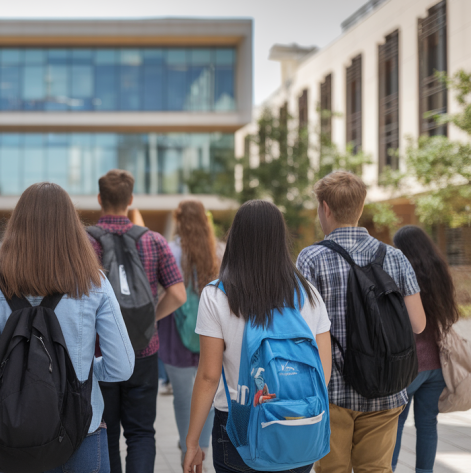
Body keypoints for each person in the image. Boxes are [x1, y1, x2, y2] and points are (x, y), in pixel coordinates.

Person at [0, 182, 136, 473]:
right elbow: (122, 366)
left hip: (11, 436)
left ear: (17, 225)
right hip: (81, 431)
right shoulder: (94, 284)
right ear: (71, 227)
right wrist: (83, 372)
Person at [183, 199, 333, 473]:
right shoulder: (309, 294)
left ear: (236, 238)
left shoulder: (217, 296)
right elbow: (323, 370)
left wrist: (192, 442)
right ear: (279, 239)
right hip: (297, 424)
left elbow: (208, 376)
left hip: (237, 425)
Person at [296, 171, 426, 473]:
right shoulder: (395, 257)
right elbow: (418, 324)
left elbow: (302, 329)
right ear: (361, 205)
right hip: (387, 388)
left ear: (325, 208)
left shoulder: (311, 258)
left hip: (333, 392)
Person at [87, 169, 187, 473]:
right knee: (142, 432)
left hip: (99, 351)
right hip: (144, 347)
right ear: (131, 200)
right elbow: (178, 294)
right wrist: (151, 319)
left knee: (107, 431)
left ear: (100, 199)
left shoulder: (84, 241)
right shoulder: (154, 241)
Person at [391, 225, 460, 473]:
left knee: (395, 424)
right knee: (428, 425)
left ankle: (391, 468)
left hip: (410, 366)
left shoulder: (402, 274)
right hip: (437, 366)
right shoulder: (440, 271)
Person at [160, 200, 218, 466]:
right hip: (213, 333)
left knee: (183, 399)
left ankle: (188, 452)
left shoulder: (169, 250)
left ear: (179, 220)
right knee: (210, 393)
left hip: (175, 332)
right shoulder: (218, 251)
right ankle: (202, 451)